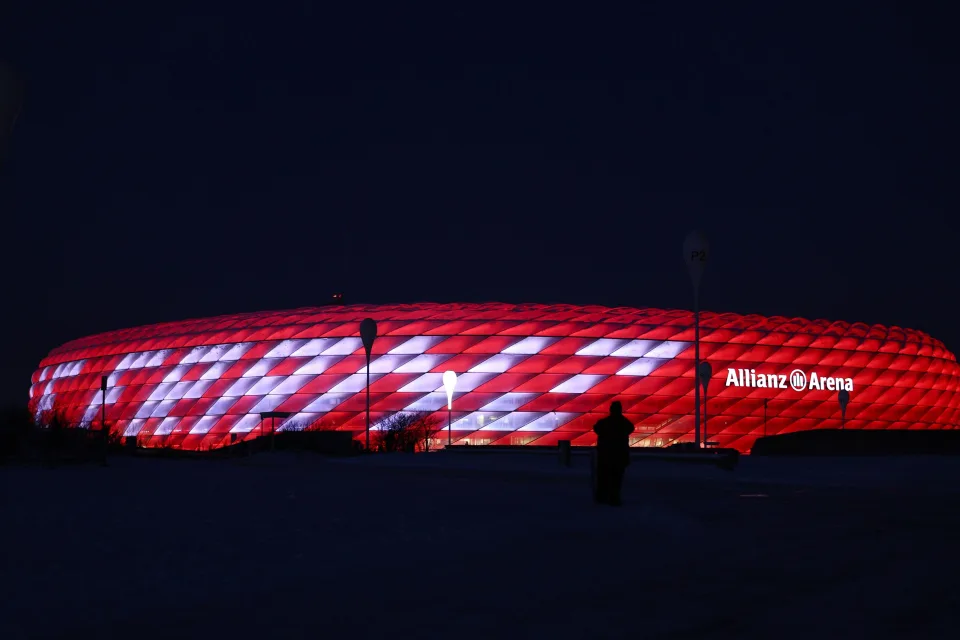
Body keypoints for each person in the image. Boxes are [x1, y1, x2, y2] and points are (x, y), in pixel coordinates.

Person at [592, 401, 635, 506]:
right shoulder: (624, 423)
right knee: (616, 478)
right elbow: (631, 428)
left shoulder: (604, 422)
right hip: (619, 455)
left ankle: (601, 497)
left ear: (610, 410)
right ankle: (614, 498)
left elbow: (596, 428)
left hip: (605, 455)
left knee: (603, 477)